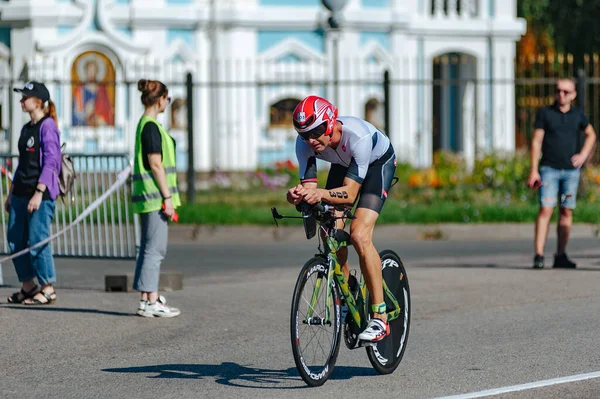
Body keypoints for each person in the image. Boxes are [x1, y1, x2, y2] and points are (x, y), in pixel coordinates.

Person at [286, 95, 396, 342]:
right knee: (329, 230)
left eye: (316, 131)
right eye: (304, 135)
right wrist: (296, 195)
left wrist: (320, 194)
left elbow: (350, 194)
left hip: (378, 164)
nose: (311, 140)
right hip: (344, 165)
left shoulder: (357, 136)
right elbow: (310, 189)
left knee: (359, 234)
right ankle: (349, 291)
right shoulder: (306, 144)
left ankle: (380, 317)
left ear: (331, 122)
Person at [527, 78, 596, 269]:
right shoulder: (545, 113)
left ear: (573, 95)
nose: (561, 95)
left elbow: (591, 134)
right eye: (558, 91)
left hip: (570, 174)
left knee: (566, 210)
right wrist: (534, 170)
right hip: (549, 171)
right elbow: (536, 142)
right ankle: (539, 255)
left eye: (566, 92)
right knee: (546, 209)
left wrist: (583, 155)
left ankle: (560, 255)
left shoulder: (578, 115)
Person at [6, 81, 61, 305]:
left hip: (40, 194)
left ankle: (47, 287)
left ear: (38, 101)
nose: (21, 101)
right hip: (20, 192)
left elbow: (51, 162)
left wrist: (39, 192)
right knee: (15, 239)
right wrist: (11, 193)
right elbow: (22, 164)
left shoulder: (48, 126)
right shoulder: (27, 128)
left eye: (25, 97)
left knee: (38, 239)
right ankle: (28, 286)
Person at [132, 79, 181, 318]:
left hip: (147, 197)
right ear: (160, 99)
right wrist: (168, 197)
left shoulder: (146, 124)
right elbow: (155, 164)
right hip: (155, 197)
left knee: (148, 248)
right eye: (167, 99)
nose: (167, 103)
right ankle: (150, 301)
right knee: (155, 250)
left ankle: (148, 297)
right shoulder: (151, 126)